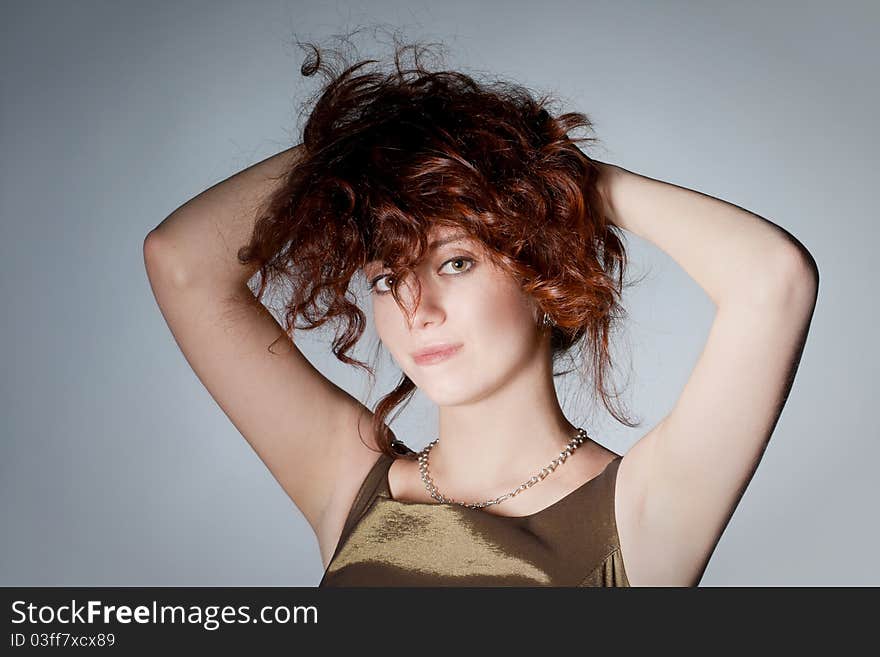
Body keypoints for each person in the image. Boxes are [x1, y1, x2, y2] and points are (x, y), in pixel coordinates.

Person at [143, 37, 818, 587]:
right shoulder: (349, 483)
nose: (417, 307)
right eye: (385, 279)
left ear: (541, 268)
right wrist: (369, 140)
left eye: (455, 263)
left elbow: (772, 277)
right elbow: (181, 261)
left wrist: (558, 178)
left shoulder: (641, 513)